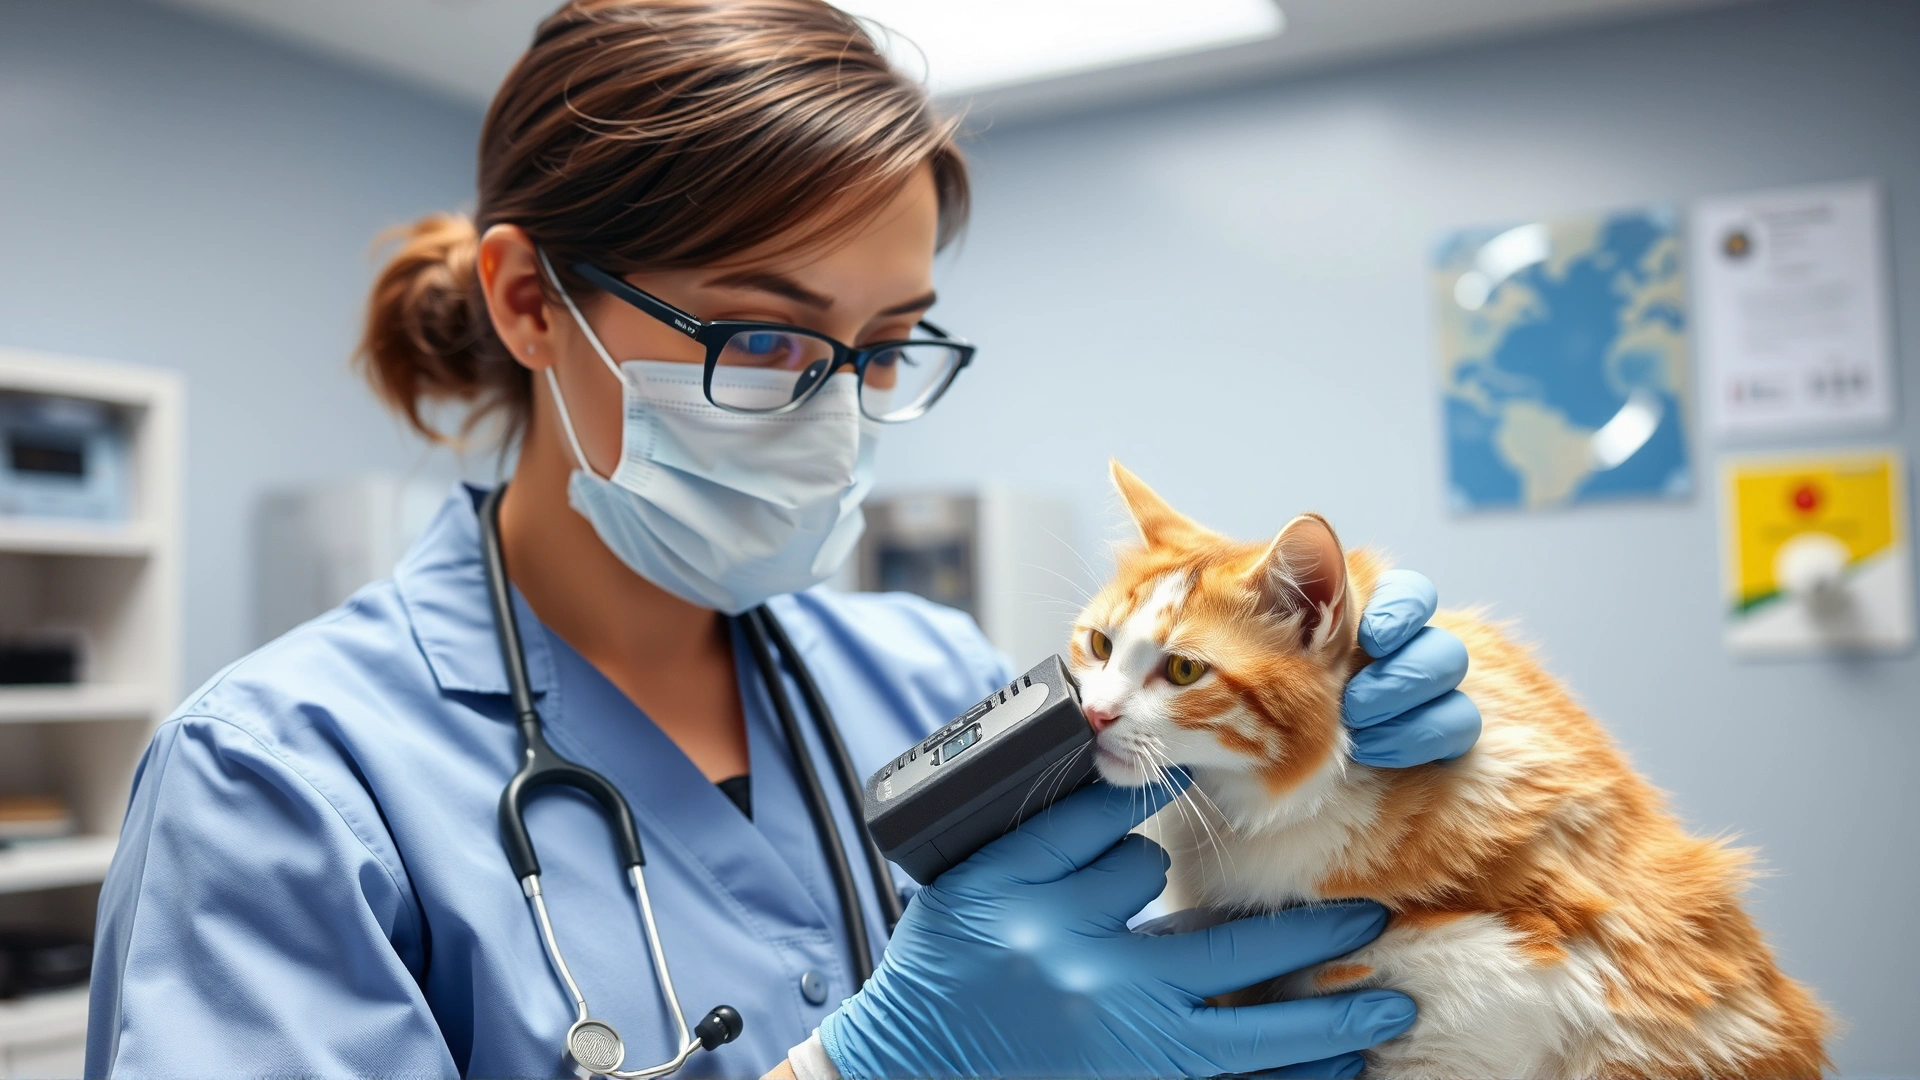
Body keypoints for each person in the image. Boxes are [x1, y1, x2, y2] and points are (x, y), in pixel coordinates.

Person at [84, 2, 1483, 1077]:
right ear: (527, 304)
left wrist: (1336, 744)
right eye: (758, 338)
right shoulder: (281, 777)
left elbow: (1171, 908)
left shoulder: (922, 674)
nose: (834, 411)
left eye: (882, 348)